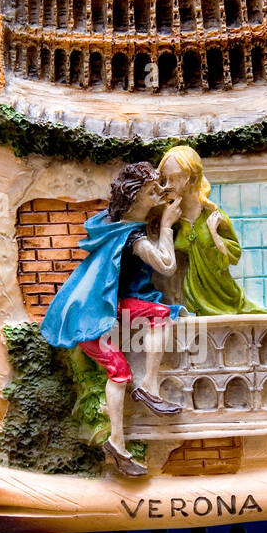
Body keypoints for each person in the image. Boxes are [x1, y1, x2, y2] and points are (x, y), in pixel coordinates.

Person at [40, 162, 184, 477]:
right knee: (128, 360)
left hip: (107, 308)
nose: (159, 192)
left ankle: (134, 412)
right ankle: (128, 424)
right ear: (135, 200)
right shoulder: (133, 238)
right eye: (152, 191)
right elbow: (167, 266)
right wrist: (169, 225)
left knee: (147, 334)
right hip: (92, 319)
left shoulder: (114, 225)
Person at [157, 145, 266, 316]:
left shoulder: (215, 217)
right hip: (193, 298)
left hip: (225, 293)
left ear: (191, 179)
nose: (167, 186)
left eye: (174, 179)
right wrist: (166, 223)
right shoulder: (171, 219)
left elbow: (234, 255)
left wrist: (214, 235)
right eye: (165, 179)